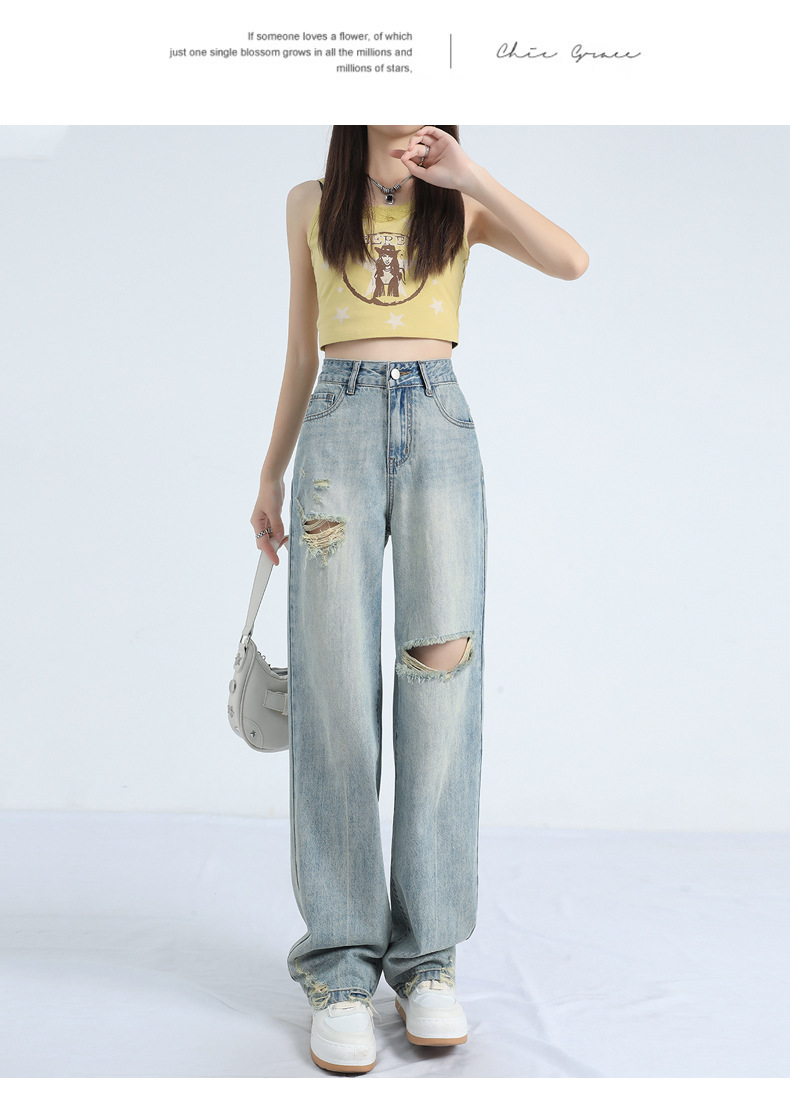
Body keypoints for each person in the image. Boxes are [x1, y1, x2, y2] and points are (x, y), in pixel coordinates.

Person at [250, 125, 588, 1074]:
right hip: (336, 428)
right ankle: (340, 968)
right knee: (334, 696)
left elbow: (571, 261)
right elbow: (300, 351)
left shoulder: (460, 204)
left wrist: (470, 175)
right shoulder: (311, 203)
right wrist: (271, 473)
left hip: (439, 426)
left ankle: (428, 959)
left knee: (441, 687)